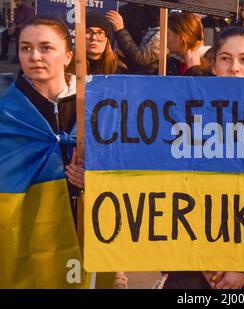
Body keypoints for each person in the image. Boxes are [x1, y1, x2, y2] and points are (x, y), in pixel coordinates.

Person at [162, 27, 244, 289]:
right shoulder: (183, 119)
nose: (235, 68)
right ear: (213, 66)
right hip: (192, 267)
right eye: (225, 58)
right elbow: (168, 193)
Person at [0, 15, 85, 288]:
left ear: (68, 55)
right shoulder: (5, 114)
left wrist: (97, 179)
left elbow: (126, 171)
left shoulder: (96, 108)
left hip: (85, 228)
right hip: (27, 235)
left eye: (46, 48)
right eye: (26, 48)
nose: (34, 56)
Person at [106, 10, 160, 75]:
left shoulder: (163, 33)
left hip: (144, 78)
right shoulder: (129, 10)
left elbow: (141, 59)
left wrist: (120, 30)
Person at [166, 12, 211, 76]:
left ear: (181, 37)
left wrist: (195, 71)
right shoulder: (171, 63)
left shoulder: (213, 61)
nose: (163, 38)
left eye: (167, 34)